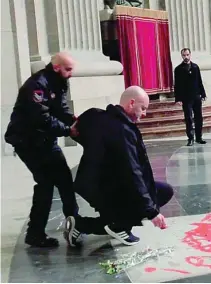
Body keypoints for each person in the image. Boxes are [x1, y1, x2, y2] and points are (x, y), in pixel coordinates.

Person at [64, 86, 174, 247]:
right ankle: (89, 225)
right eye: (143, 108)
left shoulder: (97, 115)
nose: (144, 114)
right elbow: (132, 172)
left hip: (98, 182)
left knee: (162, 191)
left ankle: (89, 224)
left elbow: (77, 129)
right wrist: (152, 212)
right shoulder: (123, 130)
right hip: (103, 188)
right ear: (131, 103)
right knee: (125, 219)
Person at [4, 52, 79, 248]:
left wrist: (74, 121)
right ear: (56, 67)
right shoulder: (36, 85)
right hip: (27, 142)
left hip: (45, 141)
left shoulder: (58, 82)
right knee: (45, 184)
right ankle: (35, 234)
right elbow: (41, 118)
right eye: (68, 69)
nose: (71, 73)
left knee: (64, 180)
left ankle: (76, 223)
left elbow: (60, 109)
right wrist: (67, 130)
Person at [174, 48, 207, 146]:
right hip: (186, 97)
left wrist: (203, 93)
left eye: (187, 55)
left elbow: (199, 81)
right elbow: (177, 85)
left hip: (196, 96)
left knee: (198, 117)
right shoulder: (178, 69)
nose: (186, 57)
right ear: (182, 56)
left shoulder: (195, 67)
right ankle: (190, 138)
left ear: (190, 55)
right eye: (184, 55)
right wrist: (178, 98)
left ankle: (199, 137)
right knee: (188, 118)